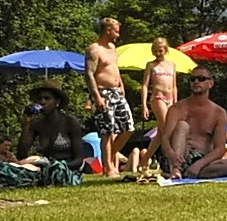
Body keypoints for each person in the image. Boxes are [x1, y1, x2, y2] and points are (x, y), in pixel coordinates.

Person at [162, 70, 227, 178]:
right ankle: (176, 170)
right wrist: (171, 155)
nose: (196, 82)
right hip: (177, 158)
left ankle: (189, 173)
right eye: (192, 79)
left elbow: (220, 148)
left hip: (203, 161)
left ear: (211, 83)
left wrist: (199, 164)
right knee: (182, 125)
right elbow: (165, 139)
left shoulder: (219, 113)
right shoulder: (177, 108)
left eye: (201, 79)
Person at [85, 17, 134, 176]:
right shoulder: (94, 49)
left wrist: (121, 84)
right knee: (107, 131)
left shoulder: (112, 48)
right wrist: (96, 97)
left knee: (128, 128)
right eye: (116, 32)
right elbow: (89, 74)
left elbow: (114, 68)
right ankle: (108, 168)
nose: (118, 35)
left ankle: (111, 155)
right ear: (108, 30)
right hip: (102, 92)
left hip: (116, 92)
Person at [138, 37, 180, 174]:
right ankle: (171, 160)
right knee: (167, 128)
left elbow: (174, 86)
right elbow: (145, 85)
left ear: (165, 50)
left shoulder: (172, 65)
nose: (158, 53)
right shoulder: (151, 65)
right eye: (155, 51)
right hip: (158, 98)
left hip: (170, 98)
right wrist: (144, 104)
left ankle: (145, 159)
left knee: (162, 132)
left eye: (160, 50)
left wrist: (176, 103)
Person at [19, 87, 87, 167]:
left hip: (67, 168)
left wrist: (59, 167)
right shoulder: (37, 124)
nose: (42, 102)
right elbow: (21, 154)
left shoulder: (70, 122)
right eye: (40, 99)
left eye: (47, 98)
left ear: (57, 101)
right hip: (46, 168)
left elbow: (79, 159)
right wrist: (27, 123)